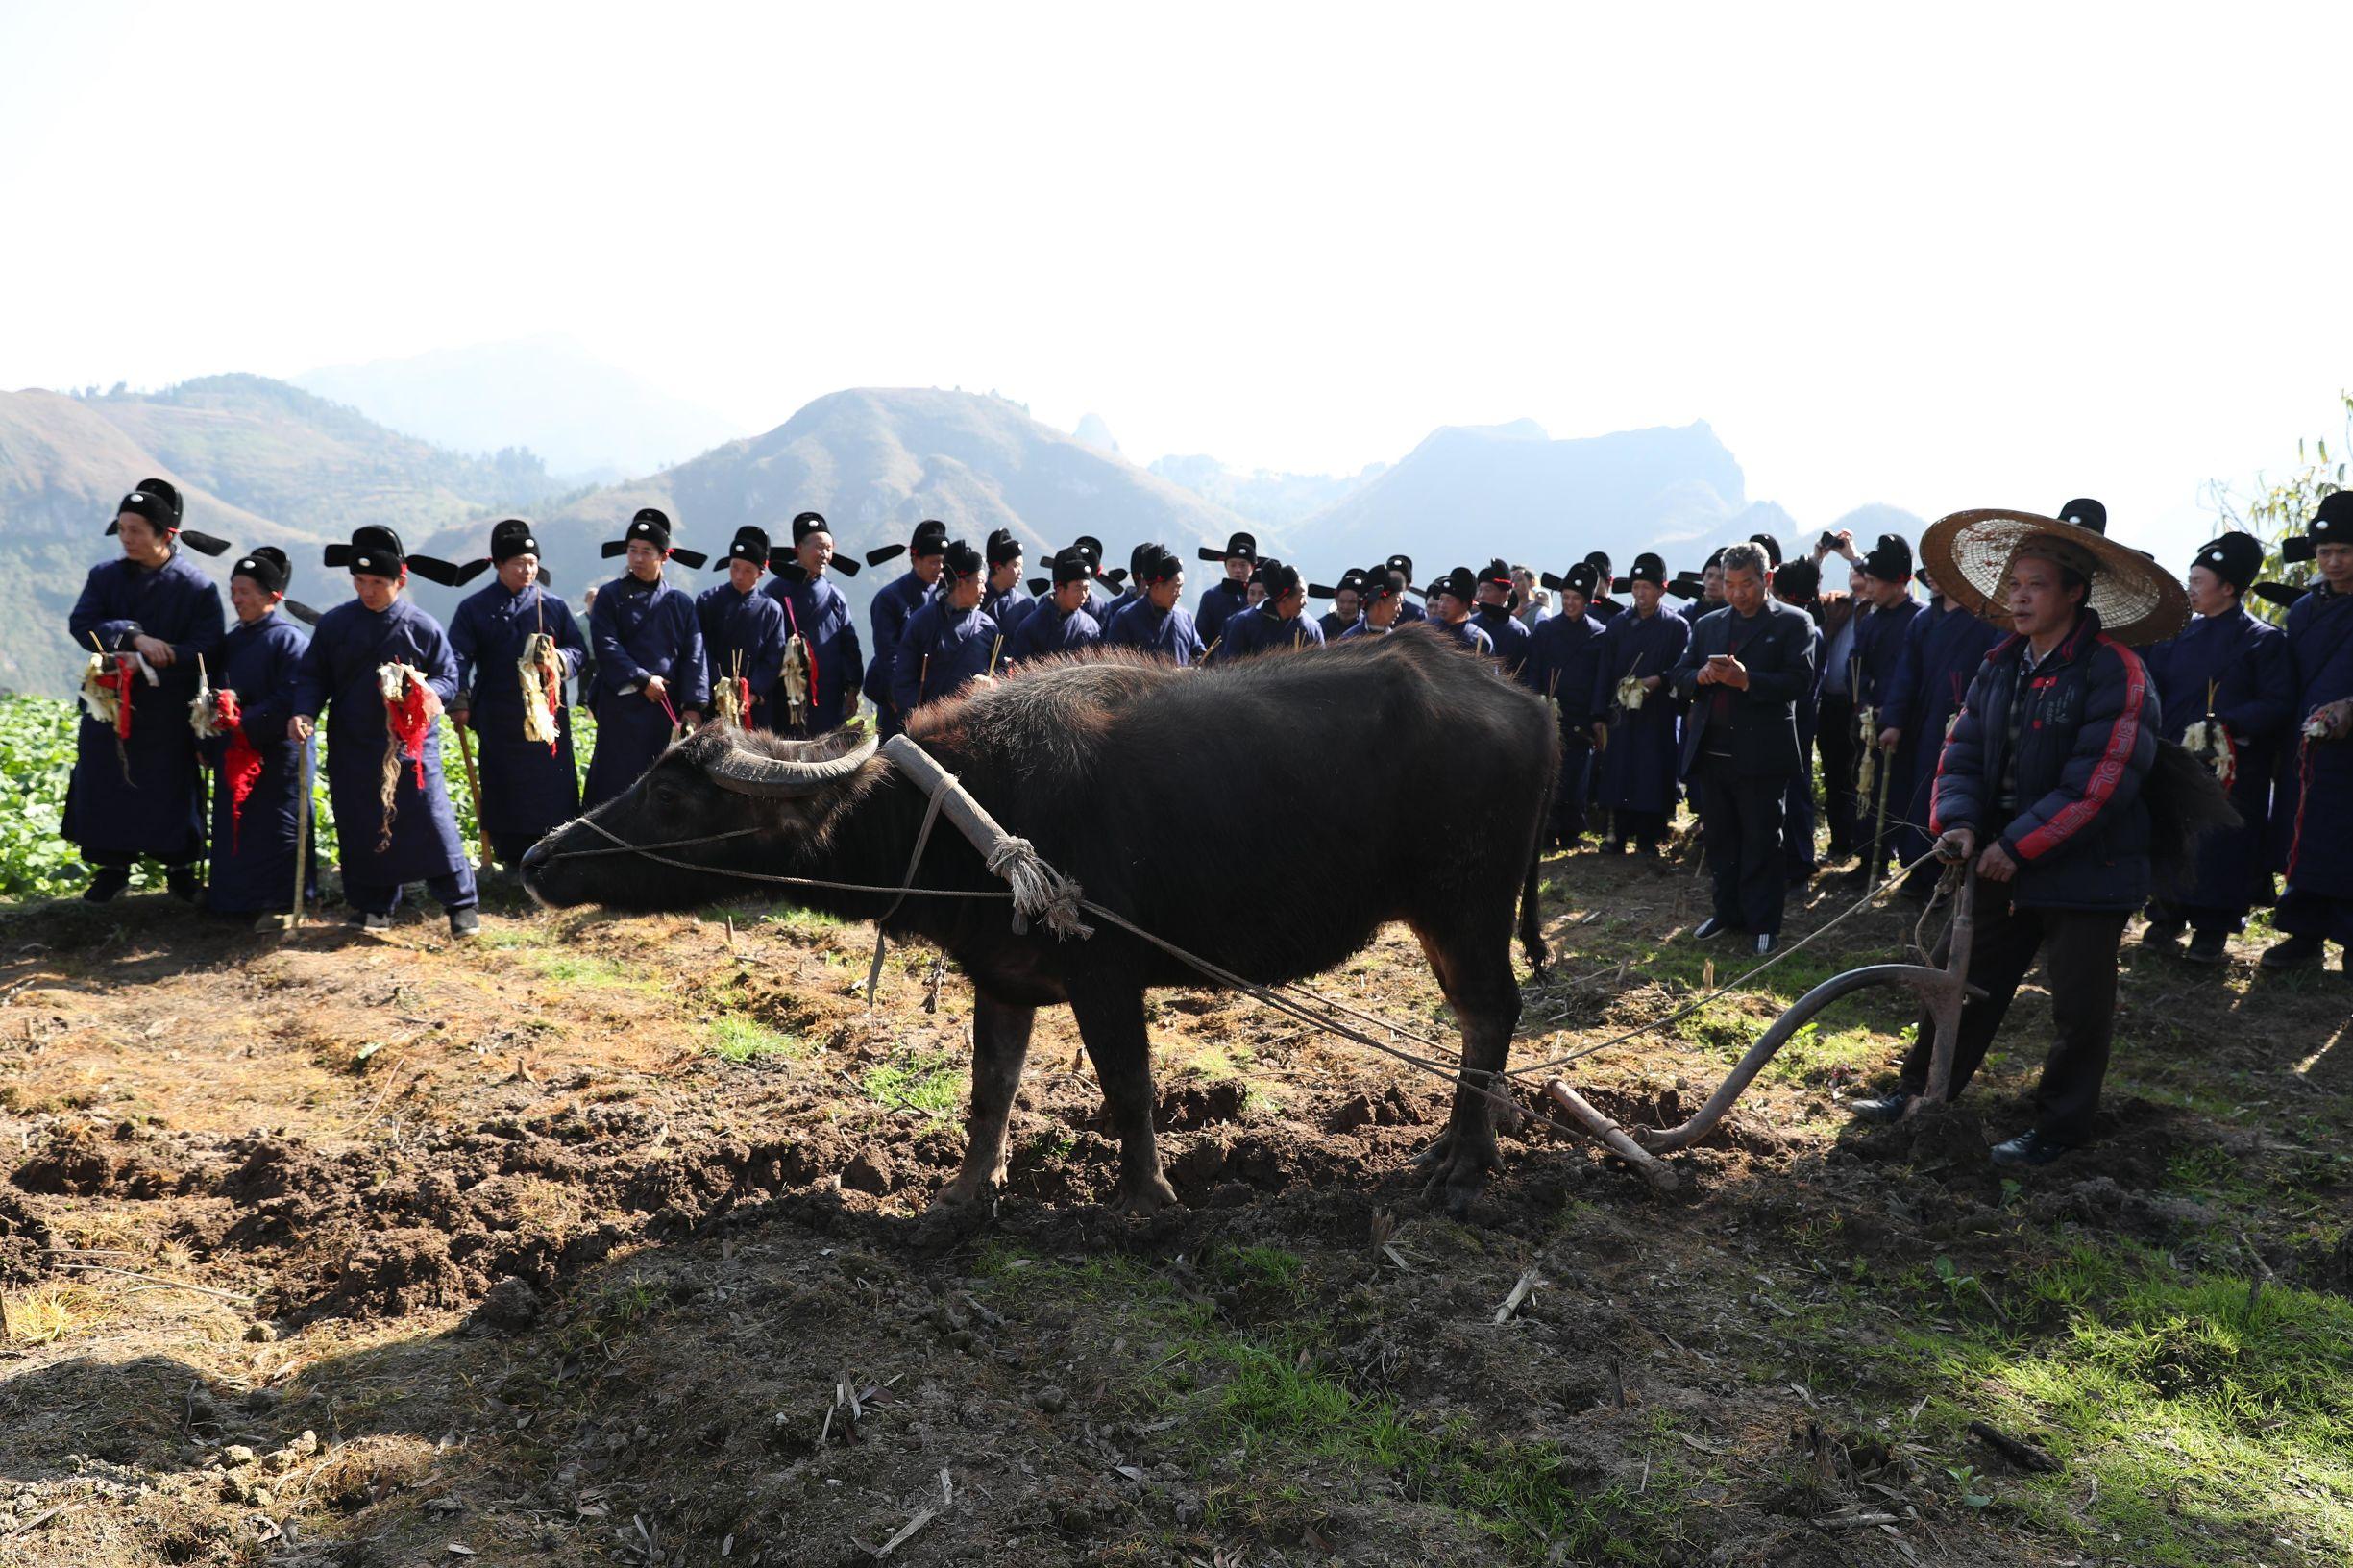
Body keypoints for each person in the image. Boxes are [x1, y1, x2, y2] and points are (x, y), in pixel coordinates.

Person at [1852, 504, 2180, 1165]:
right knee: (1957, 975)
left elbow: (2100, 781)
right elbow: (1962, 754)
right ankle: (1921, 1093)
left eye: (2035, 584)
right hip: (2000, 861)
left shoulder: (2114, 671)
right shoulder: (1998, 665)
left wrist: (2015, 846)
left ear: (2072, 594)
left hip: (2089, 867)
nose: (2019, 596)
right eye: (2013, 584)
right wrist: (1962, 826)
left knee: (2078, 1010)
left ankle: (2058, 1131)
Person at [289, 527, 484, 934]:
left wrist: (425, 691)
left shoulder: (422, 626)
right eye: (360, 582)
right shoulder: (336, 625)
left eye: (377, 582)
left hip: (410, 747)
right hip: (354, 745)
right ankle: (372, 906)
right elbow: (312, 677)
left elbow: (449, 677)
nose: (368, 590)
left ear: (400, 581)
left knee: (430, 821)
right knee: (361, 823)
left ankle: (460, 905)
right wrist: (304, 713)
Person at [62, 478, 228, 902]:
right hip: (110, 703)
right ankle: (112, 866)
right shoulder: (104, 577)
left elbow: (209, 648)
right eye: (122, 529)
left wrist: (167, 655)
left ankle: (179, 867)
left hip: (167, 707)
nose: (127, 539)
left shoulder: (196, 587)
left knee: (168, 783)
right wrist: (132, 637)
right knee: (106, 778)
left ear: (165, 534)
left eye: (136, 530)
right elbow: (83, 624)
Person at [2134, 532, 2292, 963]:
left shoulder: (2263, 640)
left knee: (2223, 843)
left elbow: (2277, 702)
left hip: (2234, 764)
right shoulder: (2174, 636)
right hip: (2174, 756)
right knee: (2171, 832)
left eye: (2198, 582)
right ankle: (2165, 916)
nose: (2191, 589)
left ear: (2228, 587)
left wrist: (2227, 724)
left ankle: (2213, 930)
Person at [1671, 543, 1817, 955]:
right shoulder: (1708, 624)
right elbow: (1678, 672)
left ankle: (1764, 921)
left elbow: (1799, 682)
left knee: (1762, 839)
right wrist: (1697, 676)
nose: (1737, 594)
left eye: (1746, 584)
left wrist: (1748, 680)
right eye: (1730, 584)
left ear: (1766, 580)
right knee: (1721, 838)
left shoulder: (1794, 623)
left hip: (1762, 750)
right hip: (1711, 748)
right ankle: (1727, 912)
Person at [450, 519, 590, 869]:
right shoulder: (474, 608)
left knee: (552, 790)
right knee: (505, 787)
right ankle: (511, 860)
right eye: (518, 563)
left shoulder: (553, 606)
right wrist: (460, 698)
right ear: (498, 565)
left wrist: (558, 659)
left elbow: (578, 650)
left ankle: (555, 856)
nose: (527, 570)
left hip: (547, 718)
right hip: (500, 716)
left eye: (532, 563)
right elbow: (457, 656)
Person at [1875, 562, 2005, 900]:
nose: (1931, 575)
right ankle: (1918, 868)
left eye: (1940, 568)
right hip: (1922, 721)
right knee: (1916, 794)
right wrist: (1893, 721)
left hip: (1962, 719)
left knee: (1952, 794)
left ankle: (1947, 873)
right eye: (1928, 568)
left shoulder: (1983, 619)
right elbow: (1906, 674)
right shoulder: (1923, 620)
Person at [2262, 491, 2353, 971]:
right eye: (2325, 553)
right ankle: (2303, 934)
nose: (2334, 562)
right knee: (2305, 832)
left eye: (2345, 551)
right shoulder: (2302, 612)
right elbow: (2289, 680)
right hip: (2307, 746)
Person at [201, 547, 314, 923]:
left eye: (246, 591)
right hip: (236, 751)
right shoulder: (232, 642)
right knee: (237, 826)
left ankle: (280, 905)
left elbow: (292, 696)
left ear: (272, 596)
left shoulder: (288, 640)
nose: (237, 599)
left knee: (276, 825)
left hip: (278, 753)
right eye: (234, 590)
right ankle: (233, 903)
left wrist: (243, 717)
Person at [583, 508, 709, 810]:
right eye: (632, 551)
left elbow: (694, 653)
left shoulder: (679, 602)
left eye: (646, 552)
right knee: (614, 778)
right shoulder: (610, 596)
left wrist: (693, 705)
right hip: (621, 706)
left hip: (664, 707)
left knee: (662, 781)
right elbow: (606, 644)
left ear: (663, 557)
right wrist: (641, 679)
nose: (637, 558)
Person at [1592, 552, 1688, 856]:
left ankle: (1649, 838)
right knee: (1620, 770)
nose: (1640, 593)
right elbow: (1604, 670)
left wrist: (1658, 680)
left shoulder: (1676, 626)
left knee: (1652, 770)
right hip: (1622, 712)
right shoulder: (1619, 625)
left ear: (1662, 589)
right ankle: (1617, 836)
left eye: (1647, 587)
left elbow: (1683, 666)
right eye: (1636, 587)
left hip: (1657, 712)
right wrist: (1599, 714)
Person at [1843, 531, 1922, 887]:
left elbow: (1913, 677)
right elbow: (1857, 666)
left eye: (1874, 581)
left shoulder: (1918, 620)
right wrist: (1861, 702)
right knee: (1864, 788)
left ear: (1897, 582)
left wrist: (1894, 714)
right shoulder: (1871, 619)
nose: (1868, 587)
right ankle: (1866, 858)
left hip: (1904, 724)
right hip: (1867, 719)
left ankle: (1900, 858)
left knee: (1900, 792)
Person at [1527, 562, 1610, 847]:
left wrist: (1598, 715)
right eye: (1566, 598)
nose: (1570, 603)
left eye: (1576, 598)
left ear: (1587, 601)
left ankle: (1572, 829)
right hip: (1550, 709)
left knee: (1577, 774)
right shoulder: (1546, 630)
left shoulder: (1599, 634)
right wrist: (1538, 701)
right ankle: (1547, 830)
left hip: (1581, 714)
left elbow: (1602, 679)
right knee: (1550, 772)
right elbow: (1535, 670)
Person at [765, 511, 865, 735]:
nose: (825, 554)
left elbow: (850, 645)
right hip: (786, 694)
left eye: (829, 548)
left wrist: (852, 688)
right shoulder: (775, 591)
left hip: (828, 696)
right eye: (819, 547)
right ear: (799, 548)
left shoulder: (834, 595)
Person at [696, 526, 790, 729]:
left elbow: (774, 658)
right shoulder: (707, 601)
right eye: (734, 567)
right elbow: (700, 649)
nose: (738, 575)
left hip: (753, 705)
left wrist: (753, 692)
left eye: (747, 570)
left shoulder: (771, 609)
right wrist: (718, 687)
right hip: (714, 699)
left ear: (761, 573)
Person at [861, 519, 948, 737]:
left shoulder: (948, 596)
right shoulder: (890, 597)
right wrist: (898, 697)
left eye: (942, 563)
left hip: (935, 695)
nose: (939, 569)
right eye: (933, 562)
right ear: (915, 560)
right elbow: (887, 652)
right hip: (898, 696)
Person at [1810, 535, 1868, 865]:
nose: (1857, 576)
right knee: (1834, 775)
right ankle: (1840, 843)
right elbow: (1803, 599)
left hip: (1860, 706)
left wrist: (1854, 556)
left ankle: (1863, 846)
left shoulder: (1878, 611)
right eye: (1853, 571)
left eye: (1864, 572)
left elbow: (1879, 586)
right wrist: (1818, 559)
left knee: (1861, 777)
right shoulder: (1839, 606)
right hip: (1831, 704)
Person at [893, 539, 1001, 711]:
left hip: (975, 725)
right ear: (960, 582)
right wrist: (917, 720)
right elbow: (904, 680)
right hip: (929, 727)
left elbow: (1002, 677)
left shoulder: (988, 627)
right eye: (980, 582)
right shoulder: (922, 622)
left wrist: (993, 684)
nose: (985, 589)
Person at [1771, 558, 1828, 880]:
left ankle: (1801, 859)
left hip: (1795, 721)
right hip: (1795, 720)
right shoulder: (1808, 626)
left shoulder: (1806, 632)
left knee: (1795, 791)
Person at [1105, 544, 1209, 663]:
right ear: (1157, 587)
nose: (1179, 593)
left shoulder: (1185, 618)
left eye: (1181, 587)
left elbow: (1198, 653)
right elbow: (1114, 667)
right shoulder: (1126, 618)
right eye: (1176, 587)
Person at [1002, 546, 1105, 665]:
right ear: (1060, 589)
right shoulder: (1031, 626)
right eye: (1078, 588)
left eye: (1086, 589)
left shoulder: (1091, 628)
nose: (1083, 595)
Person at [1215, 559, 1325, 659]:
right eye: (1301, 597)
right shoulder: (1244, 623)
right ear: (1284, 600)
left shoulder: (1311, 628)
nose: (1305, 602)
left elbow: (1323, 672)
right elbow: (1231, 667)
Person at [1468, 558, 1534, 681]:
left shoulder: (1518, 632)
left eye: (1488, 590)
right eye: (1480, 589)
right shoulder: (1470, 626)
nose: (1481, 595)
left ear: (1505, 595)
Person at [1193, 531, 1257, 645]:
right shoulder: (1211, 597)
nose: (1238, 570)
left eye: (1243, 565)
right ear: (1226, 566)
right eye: (1233, 564)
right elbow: (1200, 636)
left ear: (1252, 567)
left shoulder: (1260, 597)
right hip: (1219, 661)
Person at [1422, 567, 1496, 658]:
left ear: (1465, 605)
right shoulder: (1426, 629)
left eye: (1449, 600)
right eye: (1441, 599)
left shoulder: (1479, 639)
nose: (1442, 605)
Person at [981, 529, 1036, 642]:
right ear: (999, 568)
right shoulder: (977, 598)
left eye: (1022, 566)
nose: (1021, 571)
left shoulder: (1025, 604)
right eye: (1016, 565)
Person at [1314, 569, 1366, 642]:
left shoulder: (1367, 627)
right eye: (1342, 601)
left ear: (1362, 603)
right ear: (1336, 600)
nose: (1346, 607)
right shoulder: (1320, 627)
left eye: (1352, 602)